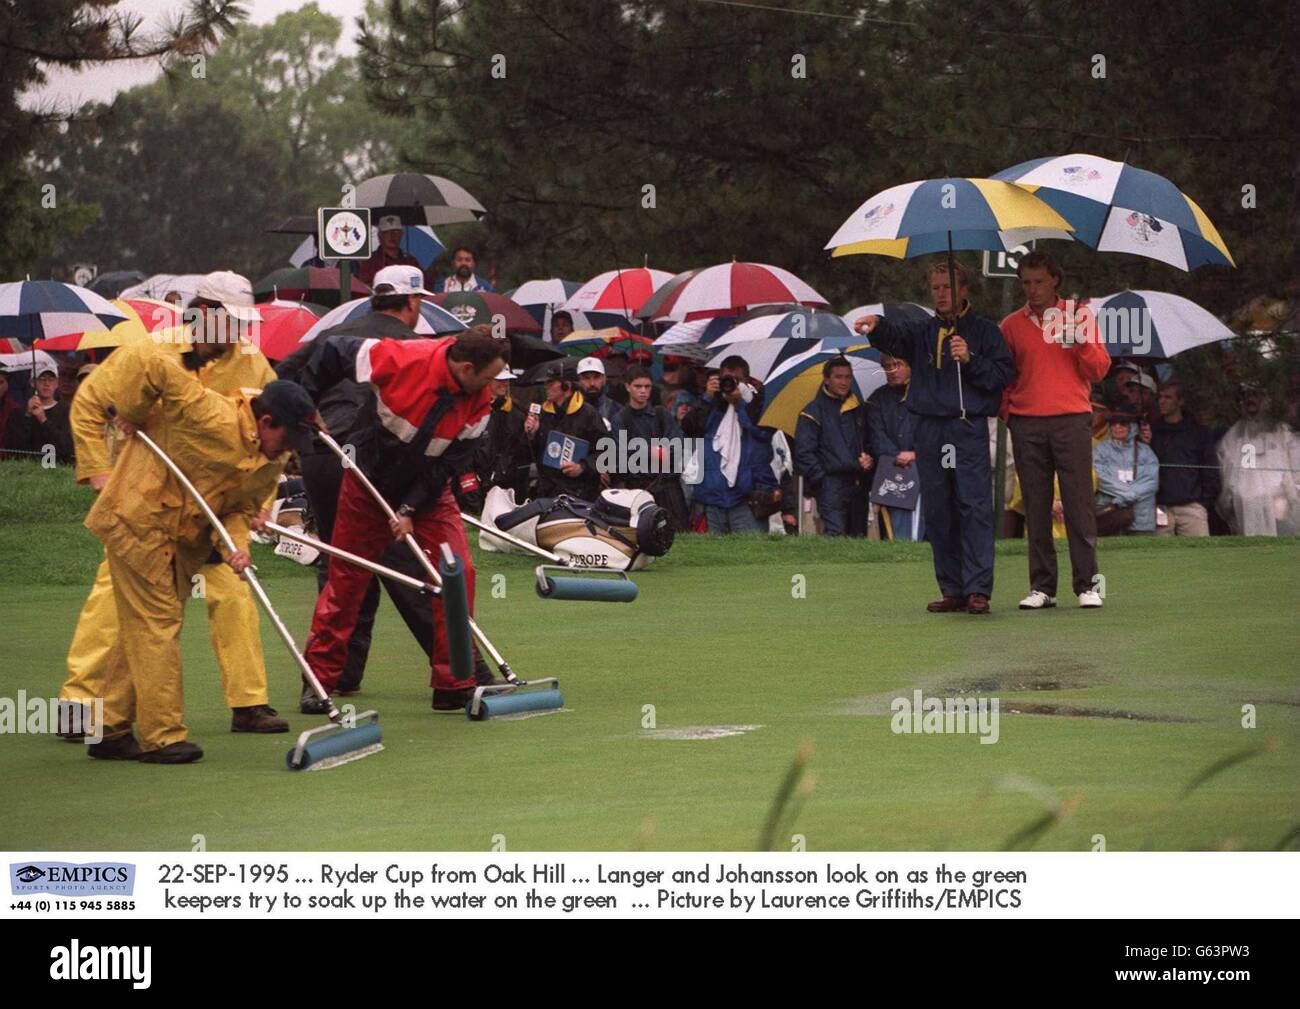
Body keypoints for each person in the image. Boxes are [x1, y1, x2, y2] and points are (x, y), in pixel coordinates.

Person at [60, 271, 288, 738]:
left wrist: (259, 502)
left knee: (233, 594)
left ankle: (249, 703)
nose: (241, 333)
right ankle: (79, 703)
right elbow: (89, 402)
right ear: (204, 313)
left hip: (217, 508)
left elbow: (273, 437)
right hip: (147, 505)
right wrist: (99, 472)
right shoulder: (154, 351)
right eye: (233, 322)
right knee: (111, 601)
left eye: (246, 323)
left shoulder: (253, 362)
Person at [84, 352, 310, 764]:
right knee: (158, 626)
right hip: (138, 522)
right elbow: (151, 364)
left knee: (143, 629)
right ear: (267, 422)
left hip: (180, 543)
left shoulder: (268, 461)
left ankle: (110, 730)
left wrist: (234, 549)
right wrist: (133, 413)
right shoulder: (213, 413)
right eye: (289, 438)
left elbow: (236, 511)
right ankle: (163, 736)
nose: (290, 451)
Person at [299, 328, 507, 711]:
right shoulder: (400, 357)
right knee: (346, 581)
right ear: (465, 367)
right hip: (366, 485)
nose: (494, 387)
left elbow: (449, 464)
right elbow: (330, 350)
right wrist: (307, 406)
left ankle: (453, 683)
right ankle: (318, 682)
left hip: (429, 493)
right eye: (490, 378)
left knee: (457, 572)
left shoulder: (479, 405)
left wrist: (409, 508)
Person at [277, 265, 442, 700]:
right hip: (376, 461)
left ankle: (333, 675)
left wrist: (307, 424)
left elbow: (283, 379)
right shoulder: (417, 345)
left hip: (323, 456)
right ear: (411, 302)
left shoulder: (336, 333)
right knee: (404, 563)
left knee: (341, 563)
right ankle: (459, 671)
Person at [857, 261, 1014, 614]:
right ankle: (952, 587)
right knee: (939, 508)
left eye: (948, 287)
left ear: (964, 290)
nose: (942, 294)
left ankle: (978, 589)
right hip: (929, 428)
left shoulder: (986, 332)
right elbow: (895, 338)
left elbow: (1002, 376)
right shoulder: (922, 331)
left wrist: (970, 359)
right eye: (936, 288)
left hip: (966, 427)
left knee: (973, 505)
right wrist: (876, 327)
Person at [999, 252, 1110, 611]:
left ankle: (1088, 585)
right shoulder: (1011, 325)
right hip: (1027, 422)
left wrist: (1080, 340)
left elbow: (1098, 370)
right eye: (1026, 283)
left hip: (1072, 419)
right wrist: (1008, 412)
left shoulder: (1079, 315)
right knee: (1036, 505)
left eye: (1039, 282)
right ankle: (1043, 587)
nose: (1032, 290)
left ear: (1055, 281)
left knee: (1079, 504)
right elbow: (1005, 376)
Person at [680, 355, 775, 534]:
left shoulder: (757, 405)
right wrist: (707, 397)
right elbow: (689, 429)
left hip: (746, 501)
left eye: (736, 380)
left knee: (751, 557)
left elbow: (762, 434)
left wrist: (739, 405)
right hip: (711, 499)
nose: (731, 385)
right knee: (713, 560)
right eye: (726, 380)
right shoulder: (711, 406)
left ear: (748, 381)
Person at [794, 357, 871, 536]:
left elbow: (866, 442)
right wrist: (822, 481)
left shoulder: (858, 408)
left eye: (848, 377)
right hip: (831, 484)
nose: (844, 382)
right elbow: (803, 453)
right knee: (835, 534)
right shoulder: (812, 411)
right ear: (826, 379)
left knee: (858, 537)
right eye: (838, 377)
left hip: (858, 483)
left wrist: (869, 459)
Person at [607, 364, 690, 529]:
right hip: (639, 487)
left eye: (647, 386)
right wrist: (652, 452)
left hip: (668, 486)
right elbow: (621, 458)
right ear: (627, 387)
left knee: (679, 534)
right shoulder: (620, 419)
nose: (643, 391)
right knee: (643, 535)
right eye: (638, 386)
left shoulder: (661, 414)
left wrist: (655, 453)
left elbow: (679, 445)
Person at [1216, 384, 1300, 536]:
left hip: (1281, 505)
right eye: (1246, 395)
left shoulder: (1283, 432)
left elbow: (1297, 470)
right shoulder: (1232, 437)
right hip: (1246, 507)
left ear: (1266, 398)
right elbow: (1226, 474)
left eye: (1255, 394)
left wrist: (1293, 498)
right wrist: (1230, 502)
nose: (1251, 399)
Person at [525, 359, 607, 500]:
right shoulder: (542, 413)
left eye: (551, 383)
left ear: (566, 386)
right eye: (546, 383)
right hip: (548, 492)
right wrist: (532, 435)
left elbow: (607, 451)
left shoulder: (588, 413)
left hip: (581, 494)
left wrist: (582, 467)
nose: (546, 387)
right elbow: (531, 454)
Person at [865, 352, 923, 541]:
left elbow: (932, 432)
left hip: (921, 468)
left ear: (910, 367)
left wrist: (915, 454)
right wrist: (895, 454)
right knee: (891, 528)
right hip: (889, 470)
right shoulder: (876, 399)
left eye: (897, 364)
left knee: (919, 524)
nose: (892, 370)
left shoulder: (925, 394)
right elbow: (876, 435)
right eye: (888, 366)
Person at [1150, 381, 1219, 537]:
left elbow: (1210, 471)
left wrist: (1203, 502)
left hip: (1192, 505)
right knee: (1159, 557)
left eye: (1168, 397)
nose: (1162, 401)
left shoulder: (1198, 432)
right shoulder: (1153, 431)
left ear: (1180, 401)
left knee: (1199, 557)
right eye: (1160, 397)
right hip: (1161, 506)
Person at [1093, 412, 1159, 534]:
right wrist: (1126, 493)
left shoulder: (1145, 451)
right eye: (1113, 423)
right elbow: (1098, 477)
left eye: (1123, 423)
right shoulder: (1099, 450)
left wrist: (1128, 495)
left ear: (1132, 426)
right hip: (1110, 515)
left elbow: (1151, 481)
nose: (1117, 427)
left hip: (1141, 517)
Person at [476, 365, 532, 503]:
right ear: (488, 380)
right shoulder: (476, 408)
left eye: (507, 379)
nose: (505, 383)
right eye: (500, 379)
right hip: (476, 483)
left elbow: (524, 453)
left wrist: (531, 434)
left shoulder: (519, 414)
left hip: (509, 487)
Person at [12, 360, 74, 463]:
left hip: (57, 471)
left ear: (57, 383)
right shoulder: (17, 413)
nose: (46, 384)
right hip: (27, 471)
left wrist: (43, 420)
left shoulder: (67, 411)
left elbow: (66, 448)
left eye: (51, 379)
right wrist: (27, 416)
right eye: (42, 379)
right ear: (32, 382)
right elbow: (14, 448)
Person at [355, 214, 420, 287]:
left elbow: (421, 286)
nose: (392, 236)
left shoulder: (411, 261)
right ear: (379, 235)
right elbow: (364, 288)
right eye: (387, 232)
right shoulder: (370, 262)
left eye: (396, 232)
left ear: (402, 234)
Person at [577, 356, 620, 426]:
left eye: (596, 377)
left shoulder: (617, 410)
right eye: (586, 378)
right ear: (579, 381)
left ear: (604, 379)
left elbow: (623, 436)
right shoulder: (569, 409)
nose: (592, 383)